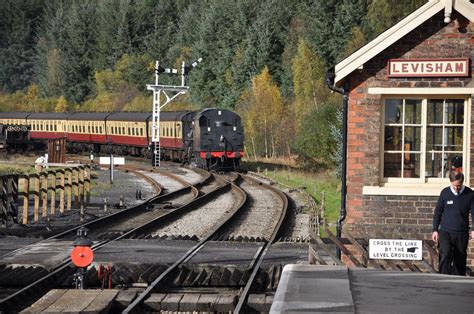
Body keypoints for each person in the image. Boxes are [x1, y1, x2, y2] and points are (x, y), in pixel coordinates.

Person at [432, 171, 474, 275]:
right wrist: (435, 230)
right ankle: (443, 278)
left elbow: (473, 213)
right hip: (446, 231)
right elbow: (438, 212)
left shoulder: (469, 194)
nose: (456, 188)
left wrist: (473, 230)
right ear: (451, 182)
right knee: (445, 254)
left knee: (459, 258)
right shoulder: (445, 193)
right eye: (454, 185)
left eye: (458, 185)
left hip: (461, 232)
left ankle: (458, 281)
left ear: (462, 182)